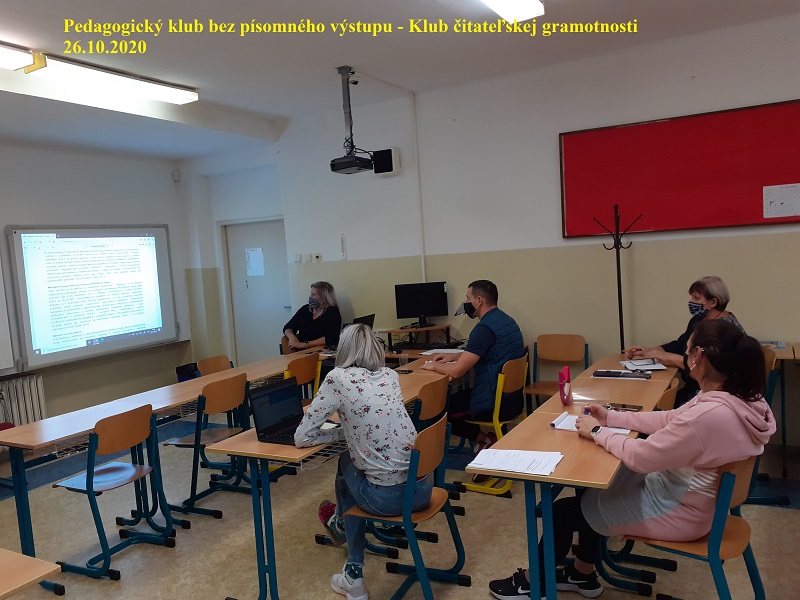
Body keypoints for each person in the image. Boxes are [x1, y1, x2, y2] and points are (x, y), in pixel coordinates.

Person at [489, 319, 775, 600]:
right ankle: (582, 573)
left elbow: (642, 457)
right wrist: (612, 417)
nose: (685, 357)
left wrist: (598, 432)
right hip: (694, 501)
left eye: (687, 351)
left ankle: (532, 584)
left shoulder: (709, 415)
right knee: (593, 487)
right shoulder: (736, 398)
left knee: (561, 513)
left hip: (680, 512)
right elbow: (670, 419)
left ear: (698, 356)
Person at [295, 323, 433, 600]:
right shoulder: (390, 375)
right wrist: (350, 431)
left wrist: (339, 434)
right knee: (352, 461)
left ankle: (353, 569)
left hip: (388, 501)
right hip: (423, 490)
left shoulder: (337, 378)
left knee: (346, 464)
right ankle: (339, 525)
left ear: (344, 349)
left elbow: (302, 437)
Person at [420, 280, 525, 478]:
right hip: (512, 398)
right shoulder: (506, 321)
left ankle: (485, 440)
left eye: (468, 298)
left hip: (493, 403)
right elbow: (486, 352)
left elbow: (457, 372)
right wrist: (453, 356)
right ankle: (485, 441)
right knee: (452, 400)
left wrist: (433, 365)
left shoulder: (484, 329)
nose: (466, 302)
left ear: (479, 300)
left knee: (437, 409)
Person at [626, 275, 744, 407]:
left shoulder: (725, 330)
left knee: (657, 406)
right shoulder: (698, 321)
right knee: (653, 401)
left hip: (714, 395)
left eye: (696, 298)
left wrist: (670, 358)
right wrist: (651, 350)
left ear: (713, 302)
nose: (691, 301)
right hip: (694, 389)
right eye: (691, 297)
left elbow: (707, 370)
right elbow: (680, 344)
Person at [283, 281, 342, 350]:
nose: (310, 297)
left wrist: (304, 345)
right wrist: (292, 337)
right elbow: (288, 327)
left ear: (323, 297)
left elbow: (331, 338)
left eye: (313, 294)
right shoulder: (305, 309)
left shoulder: (332, 311)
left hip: (322, 351)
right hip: (302, 352)